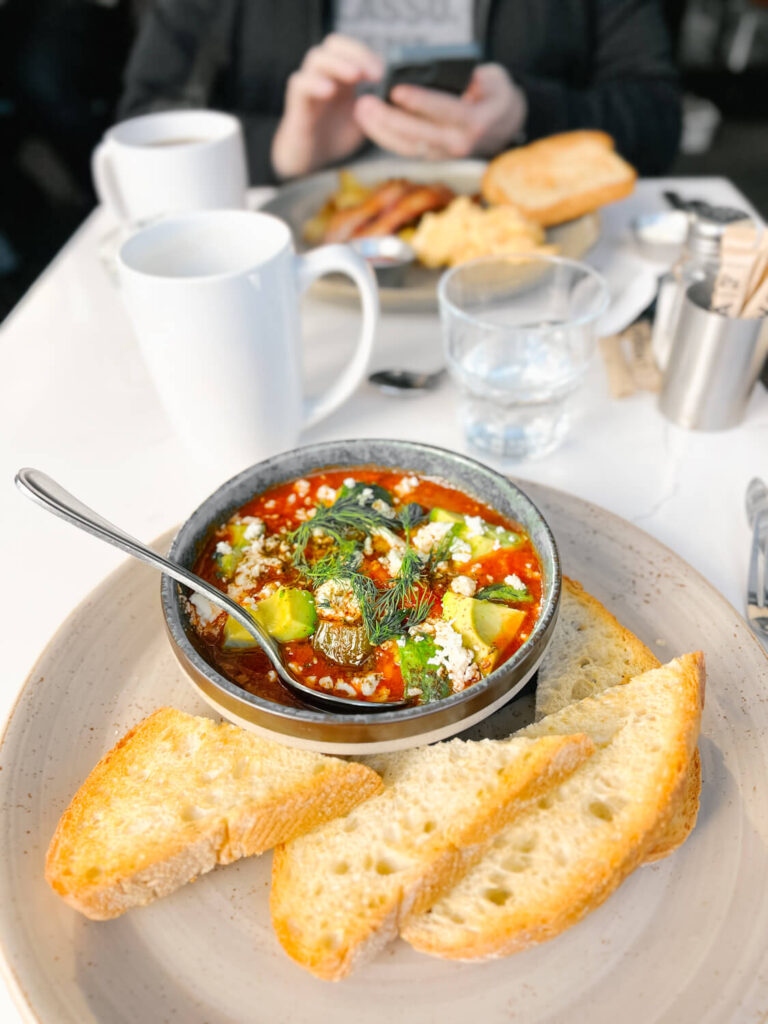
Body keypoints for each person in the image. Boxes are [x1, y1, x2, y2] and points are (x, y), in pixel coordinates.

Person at [119, 0, 681, 184]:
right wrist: (279, 149)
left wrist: (527, 115)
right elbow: (146, 121)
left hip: (533, 290)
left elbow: (657, 120)